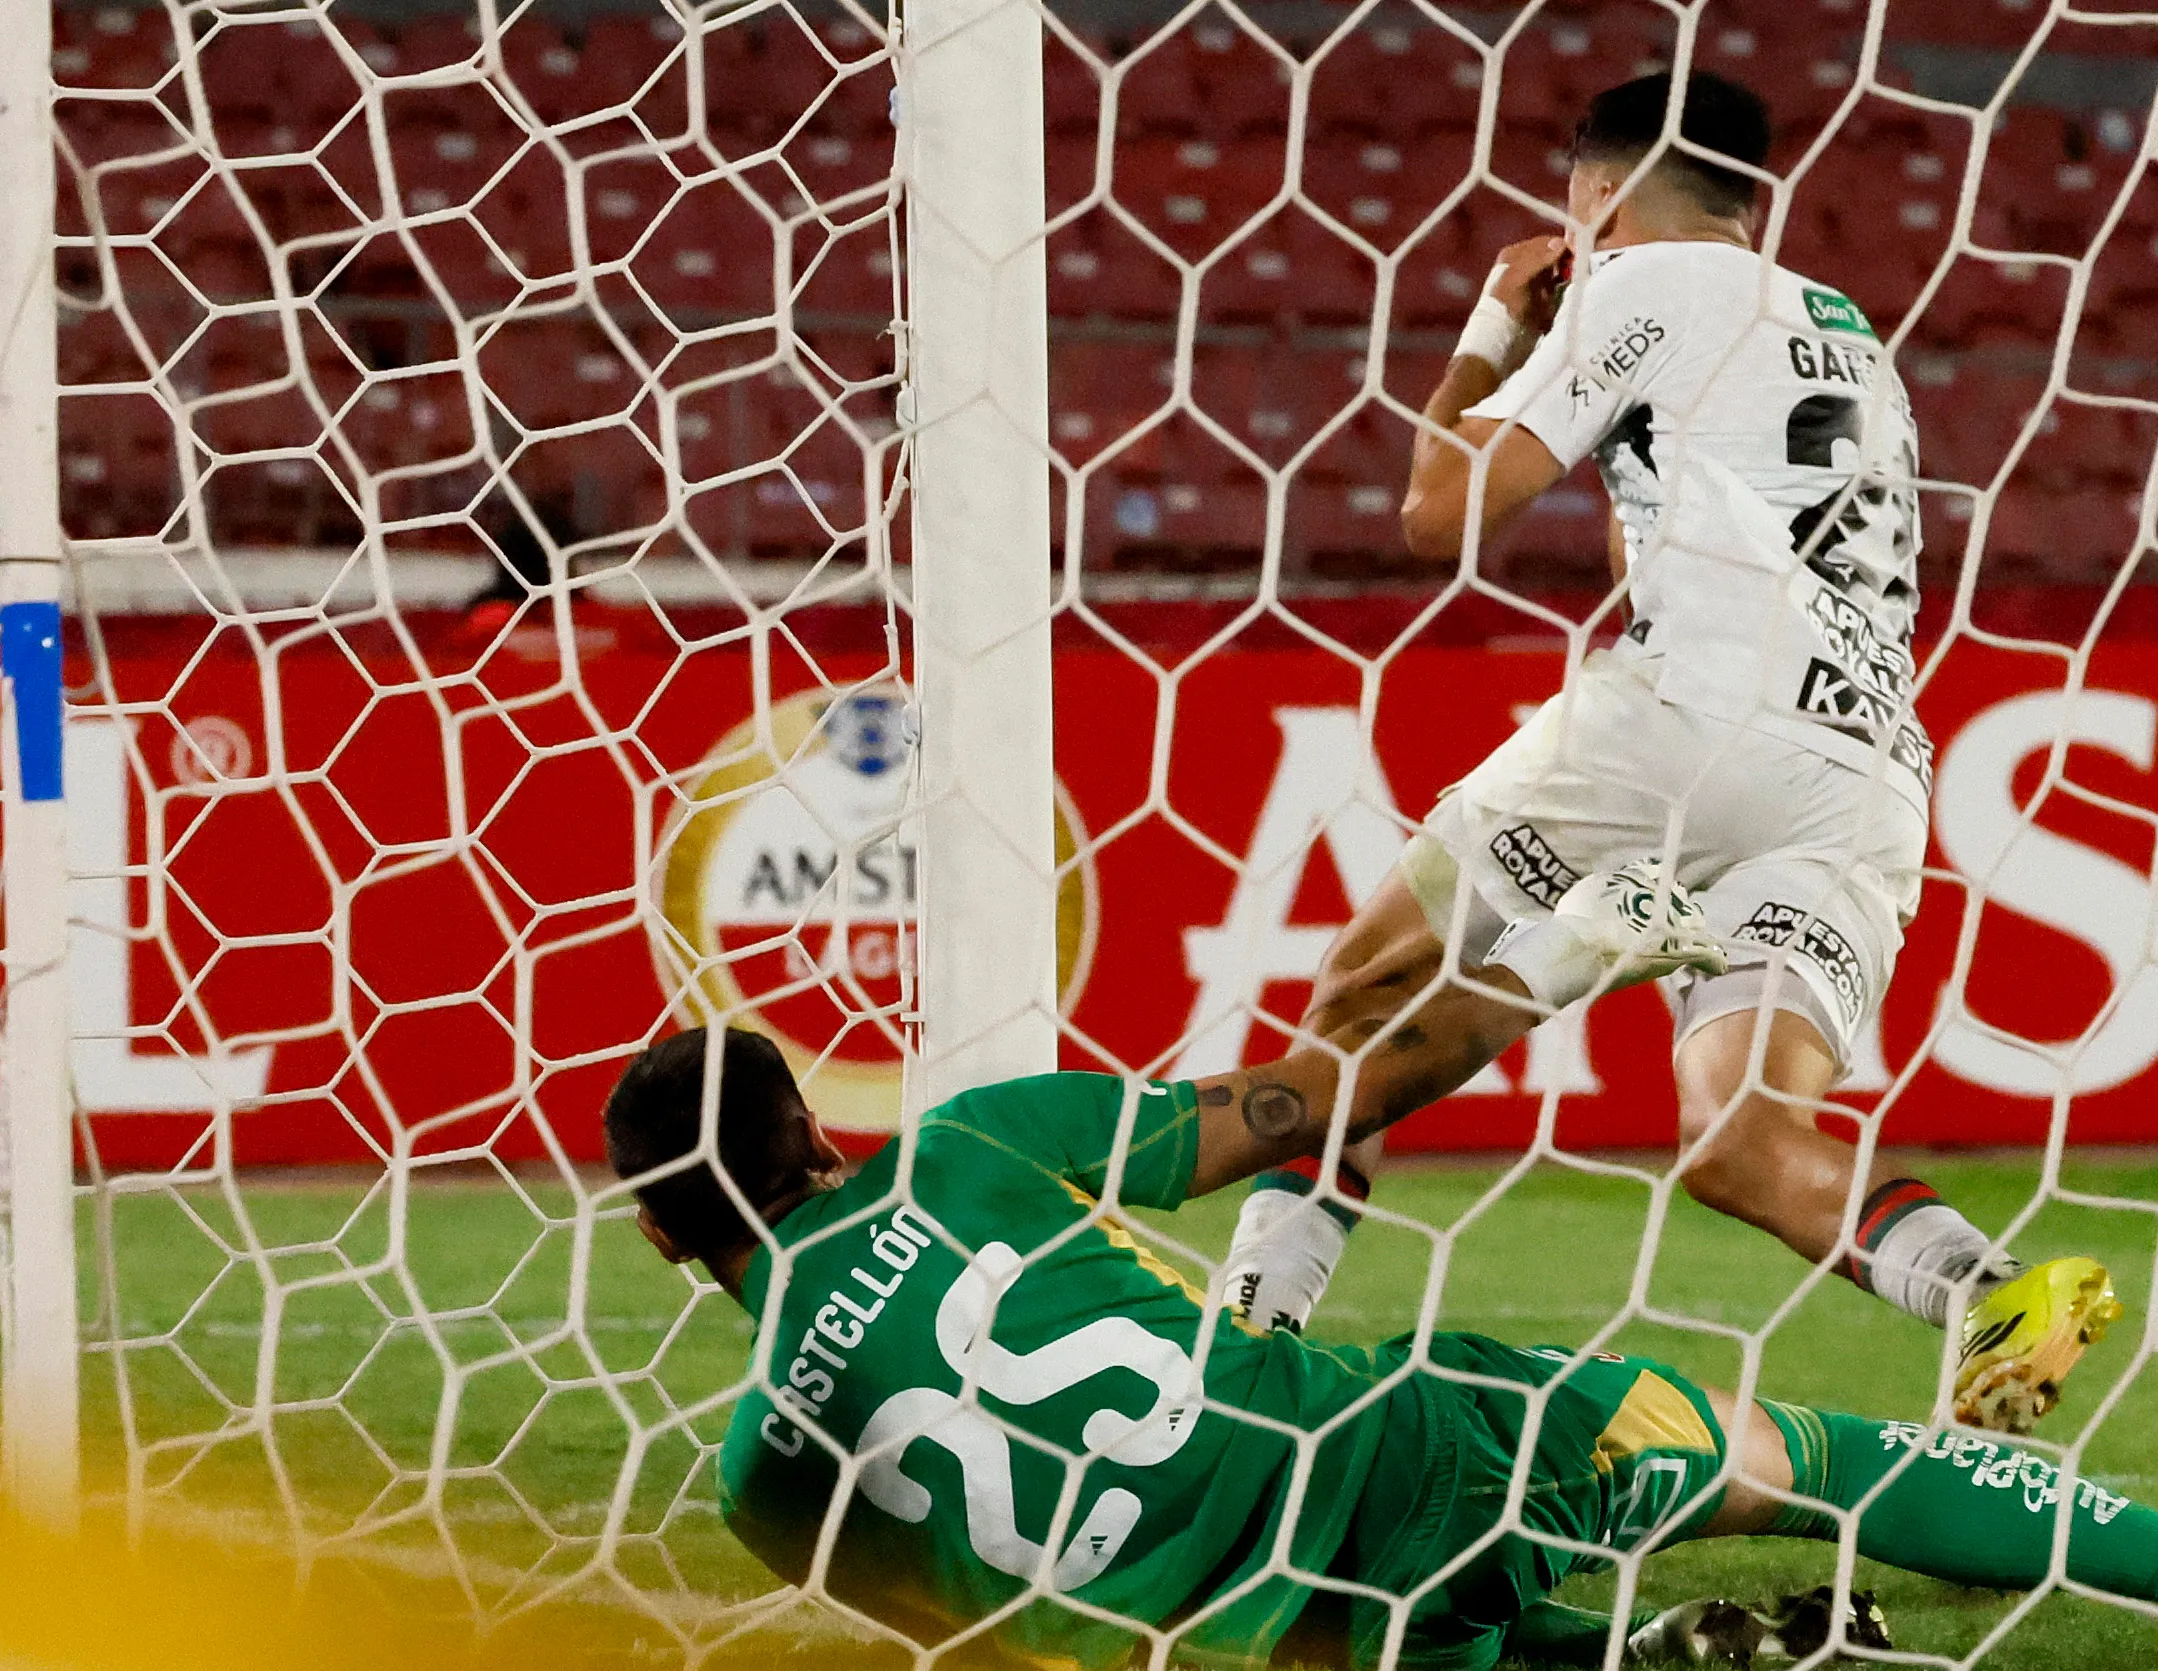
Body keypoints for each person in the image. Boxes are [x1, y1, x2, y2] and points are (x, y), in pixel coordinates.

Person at [1216, 70, 2117, 1435]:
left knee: (1359, 1006)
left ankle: (1246, 1337)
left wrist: (1483, 343)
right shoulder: (1846, 332)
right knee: (1735, 1137)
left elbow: (1435, 513)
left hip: (1689, 715)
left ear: (1596, 192)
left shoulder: (1636, 284)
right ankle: (1992, 1290)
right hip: (1863, 768)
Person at [604, 1027, 2158, 1669]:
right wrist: (1460, 1012)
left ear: (668, 1237)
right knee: (1797, 1455)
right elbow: (1282, 1110)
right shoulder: (960, 1149)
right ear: (814, 1122)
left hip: (1272, 1646)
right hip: (1395, 1452)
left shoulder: (761, 1484)